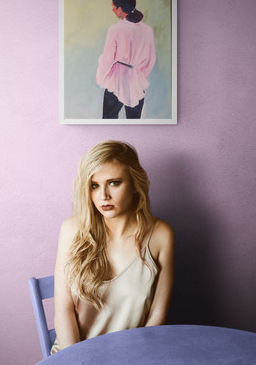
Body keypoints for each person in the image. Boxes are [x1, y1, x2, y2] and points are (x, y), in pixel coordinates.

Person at [51, 140, 174, 354]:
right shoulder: (72, 230)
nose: (103, 196)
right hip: (73, 356)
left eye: (114, 183)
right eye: (94, 185)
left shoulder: (161, 235)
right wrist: (75, 361)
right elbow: (64, 309)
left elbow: (157, 316)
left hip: (134, 356)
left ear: (136, 184)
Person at [96, 0, 156, 119]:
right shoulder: (147, 30)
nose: (112, 9)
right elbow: (151, 59)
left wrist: (101, 78)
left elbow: (107, 58)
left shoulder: (115, 30)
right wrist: (140, 76)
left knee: (108, 120)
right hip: (137, 82)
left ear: (120, 9)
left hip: (116, 81)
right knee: (134, 121)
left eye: (114, 6)